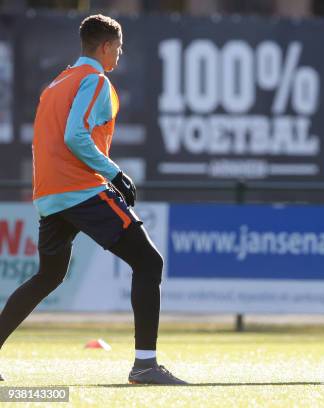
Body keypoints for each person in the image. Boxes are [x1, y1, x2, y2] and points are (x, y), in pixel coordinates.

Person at [0, 14, 186, 385]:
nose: (119, 53)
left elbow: (50, 141)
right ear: (105, 46)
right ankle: (145, 366)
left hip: (51, 195)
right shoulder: (95, 80)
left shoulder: (56, 83)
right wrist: (114, 173)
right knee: (149, 263)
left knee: (47, 277)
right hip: (80, 190)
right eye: (118, 46)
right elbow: (76, 136)